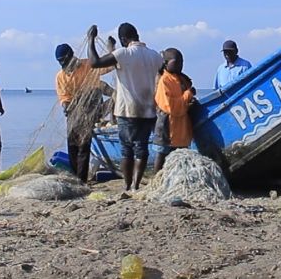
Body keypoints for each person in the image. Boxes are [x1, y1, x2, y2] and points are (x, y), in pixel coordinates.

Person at [87, 23, 162, 191]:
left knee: (127, 150)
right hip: (148, 110)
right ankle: (136, 184)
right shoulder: (154, 56)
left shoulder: (124, 53)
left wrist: (91, 39)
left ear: (123, 39)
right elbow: (163, 74)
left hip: (127, 110)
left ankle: (127, 186)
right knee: (142, 149)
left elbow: (94, 62)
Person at [55, 42, 114, 183]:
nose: (64, 64)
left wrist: (112, 49)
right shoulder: (61, 76)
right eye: (61, 62)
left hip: (92, 110)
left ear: (71, 56)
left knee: (83, 146)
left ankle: (81, 180)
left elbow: (109, 65)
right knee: (73, 145)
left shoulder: (88, 65)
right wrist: (66, 106)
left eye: (65, 60)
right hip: (74, 112)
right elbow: (64, 96)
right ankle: (77, 177)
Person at [153, 48, 196, 172]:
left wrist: (191, 101)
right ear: (166, 63)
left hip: (181, 128)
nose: (180, 65)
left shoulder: (182, 79)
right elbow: (171, 107)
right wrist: (188, 94)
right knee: (161, 156)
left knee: (180, 160)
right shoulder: (164, 80)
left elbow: (185, 102)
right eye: (176, 62)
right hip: (167, 128)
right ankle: (156, 182)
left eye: (182, 62)